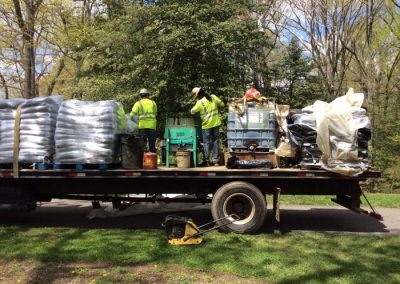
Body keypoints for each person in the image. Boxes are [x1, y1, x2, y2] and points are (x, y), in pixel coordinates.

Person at [190, 87, 224, 166]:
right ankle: (216, 161)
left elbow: (192, 111)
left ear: (198, 95)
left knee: (206, 143)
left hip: (206, 125)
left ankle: (207, 161)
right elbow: (222, 104)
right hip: (216, 123)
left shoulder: (199, 102)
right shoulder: (213, 97)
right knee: (216, 141)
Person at [130, 88, 157, 153]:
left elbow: (132, 115)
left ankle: (143, 161)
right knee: (152, 145)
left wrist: (131, 119)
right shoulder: (153, 103)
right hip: (152, 126)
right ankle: (152, 160)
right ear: (148, 95)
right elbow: (155, 114)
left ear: (141, 95)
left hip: (142, 126)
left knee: (143, 145)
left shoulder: (138, 103)